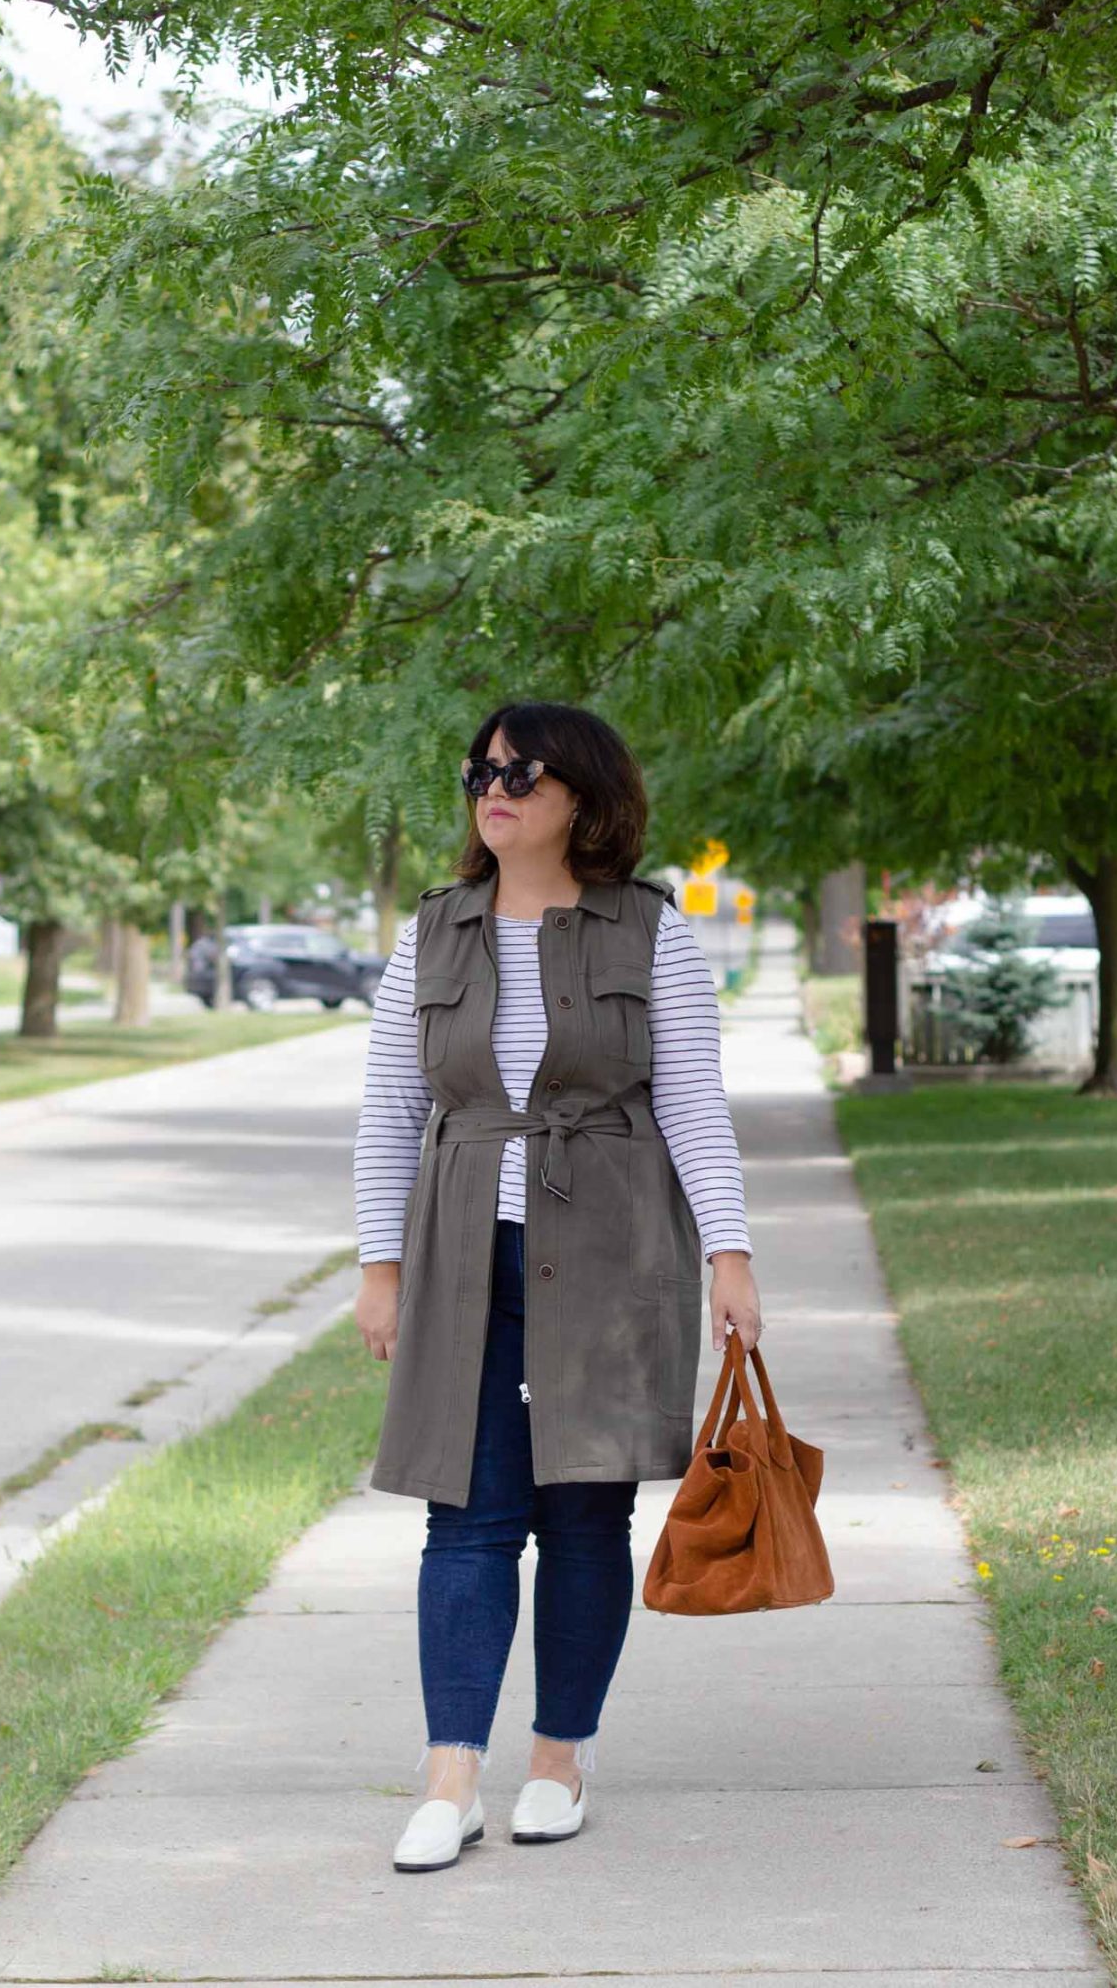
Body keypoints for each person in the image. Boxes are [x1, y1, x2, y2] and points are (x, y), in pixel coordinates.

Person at [352, 700, 761, 1872]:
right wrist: (380, 1267)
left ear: (582, 795)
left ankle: (559, 1759)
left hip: (615, 1259)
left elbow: (690, 1102)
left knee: (586, 1512)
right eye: (481, 769)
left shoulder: (650, 932)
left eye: (523, 771)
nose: (498, 787)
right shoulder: (431, 935)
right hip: (461, 1257)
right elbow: (389, 1113)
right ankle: (450, 1778)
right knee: (465, 1514)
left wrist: (730, 1257)